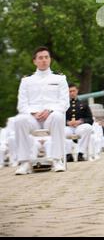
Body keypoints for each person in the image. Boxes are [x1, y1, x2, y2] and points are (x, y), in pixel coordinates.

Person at [14, 46, 69, 174]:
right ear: (34, 61)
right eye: (40, 58)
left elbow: (64, 103)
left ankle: (57, 160)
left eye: (46, 57)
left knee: (58, 117)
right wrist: (32, 112)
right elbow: (21, 105)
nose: (44, 60)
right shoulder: (26, 81)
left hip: (51, 116)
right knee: (19, 119)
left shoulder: (60, 79)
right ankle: (24, 162)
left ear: (50, 60)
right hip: (33, 117)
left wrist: (49, 110)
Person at [65, 84, 93, 162]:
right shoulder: (64, 105)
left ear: (77, 91)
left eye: (73, 91)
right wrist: (67, 122)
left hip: (79, 127)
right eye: (70, 91)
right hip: (68, 127)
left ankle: (81, 154)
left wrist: (80, 121)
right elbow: (60, 118)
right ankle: (68, 155)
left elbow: (90, 119)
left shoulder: (84, 104)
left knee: (88, 128)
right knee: (61, 131)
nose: (72, 93)